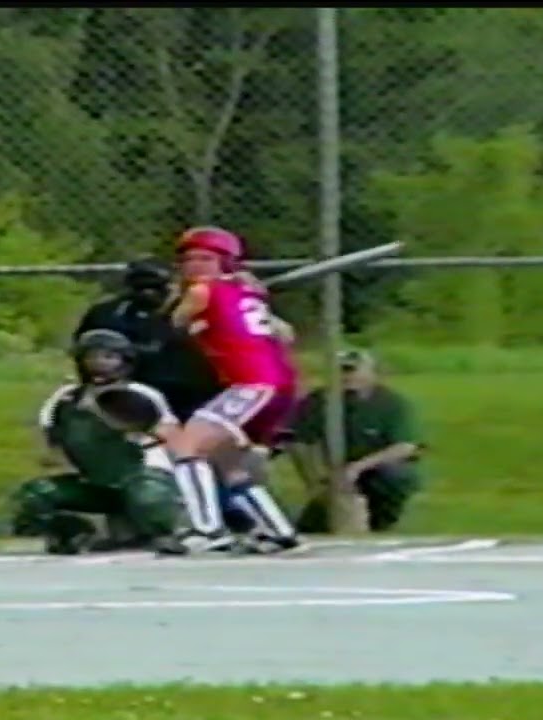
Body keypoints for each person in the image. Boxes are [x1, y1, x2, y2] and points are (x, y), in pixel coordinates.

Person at [157, 226, 302, 556]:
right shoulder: (248, 296)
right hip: (279, 386)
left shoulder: (202, 291)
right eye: (189, 259)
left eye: (206, 259)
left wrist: (189, 302)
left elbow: (173, 323)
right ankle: (278, 530)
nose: (195, 265)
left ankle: (206, 530)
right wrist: (245, 296)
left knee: (187, 445)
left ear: (226, 262)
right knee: (225, 460)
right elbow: (286, 334)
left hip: (251, 384)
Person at [10, 329, 182, 554]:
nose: (99, 363)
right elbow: (51, 448)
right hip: (95, 481)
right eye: (91, 357)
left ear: (125, 362)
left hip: (142, 474)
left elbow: (173, 437)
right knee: (34, 495)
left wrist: (130, 424)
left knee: (149, 495)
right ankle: (74, 534)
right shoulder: (65, 398)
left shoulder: (142, 394)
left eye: (109, 357)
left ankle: (161, 534)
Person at [290, 349, 425, 532]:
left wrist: (357, 468)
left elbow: (404, 446)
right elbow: (300, 443)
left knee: (394, 475)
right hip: (336, 474)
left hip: (376, 470)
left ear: (371, 372)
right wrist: (315, 481)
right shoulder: (318, 401)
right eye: (341, 370)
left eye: (352, 370)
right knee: (314, 526)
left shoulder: (391, 403)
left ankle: (381, 522)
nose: (346, 376)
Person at [74, 258, 222, 422]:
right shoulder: (107, 314)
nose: (148, 293)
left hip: (193, 393)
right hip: (127, 391)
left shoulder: (201, 311)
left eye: (156, 286)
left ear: (175, 284)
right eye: (141, 286)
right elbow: (85, 352)